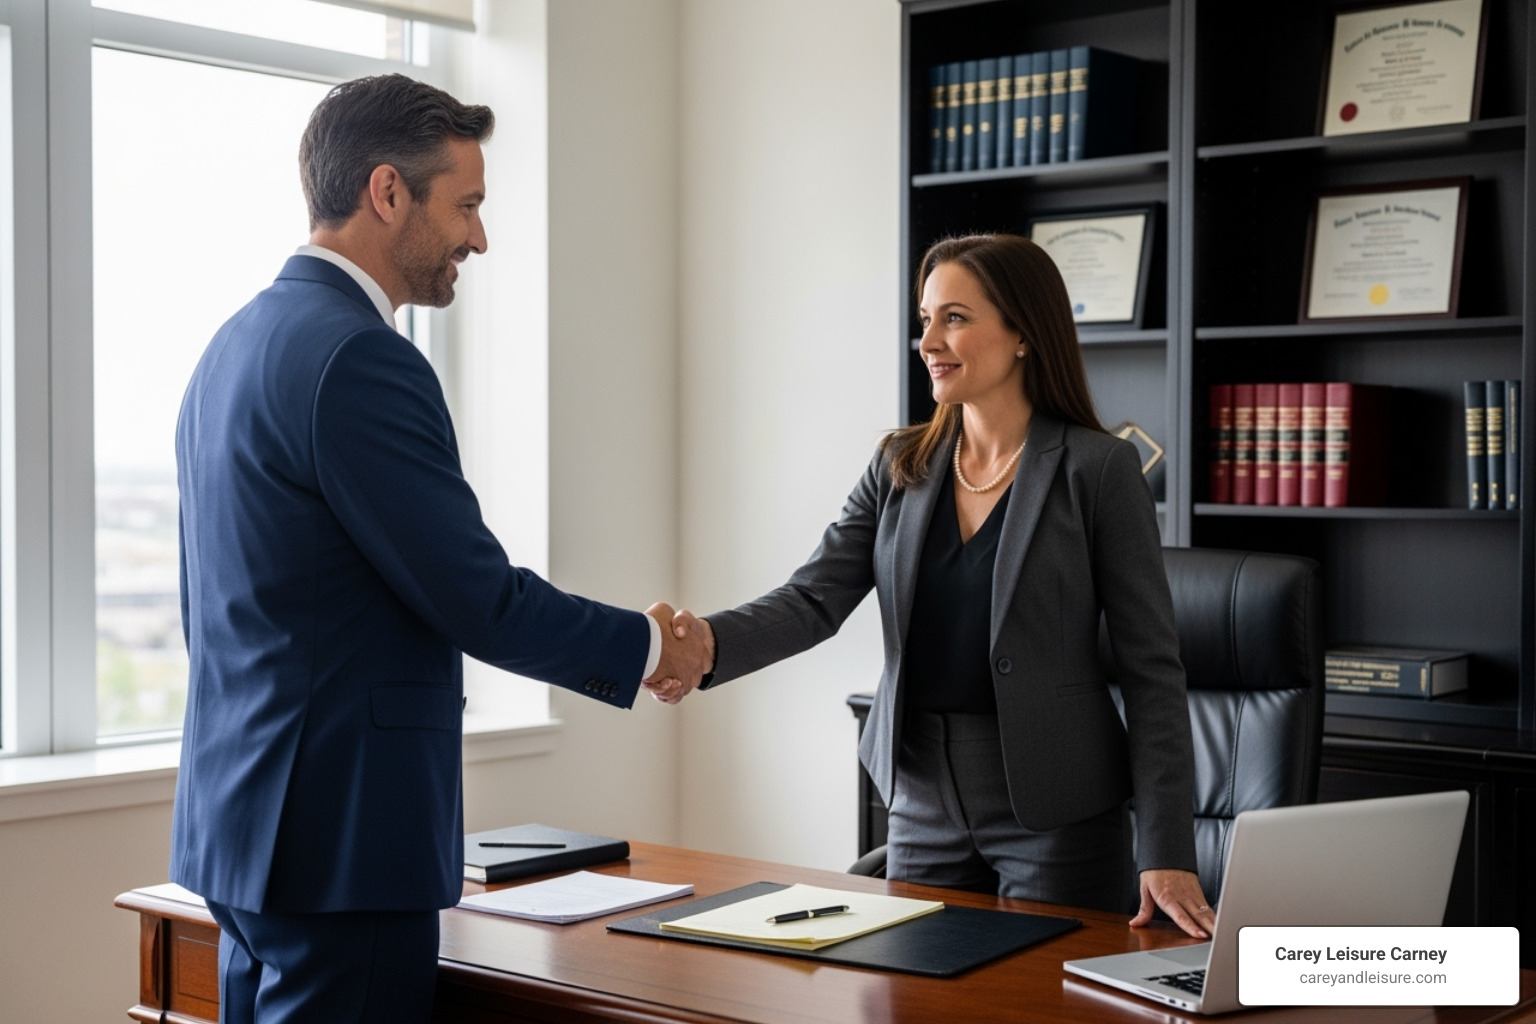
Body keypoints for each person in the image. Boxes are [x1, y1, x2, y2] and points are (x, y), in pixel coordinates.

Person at [171, 74, 709, 1024]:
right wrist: (652, 647)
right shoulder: (360, 356)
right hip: (341, 847)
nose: (479, 238)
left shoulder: (231, 347)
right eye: (466, 205)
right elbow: (474, 597)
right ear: (387, 193)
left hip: (239, 834)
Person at [647, 233, 1214, 939]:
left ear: (1022, 334)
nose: (928, 341)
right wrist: (706, 645)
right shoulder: (899, 465)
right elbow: (815, 598)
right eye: (925, 319)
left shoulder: (1098, 471)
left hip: (1057, 809)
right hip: (920, 797)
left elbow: (1151, 668)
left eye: (954, 317)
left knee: (1044, 1009)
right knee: (914, 997)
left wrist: (1167, 851)